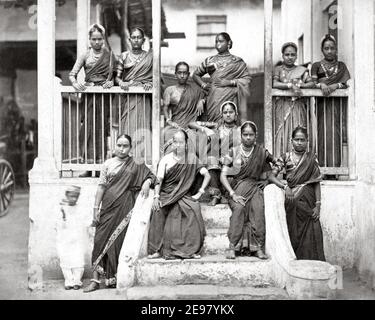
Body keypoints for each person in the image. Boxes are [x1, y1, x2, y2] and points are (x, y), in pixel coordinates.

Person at [83, 134, 156, 292]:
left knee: (118, 242)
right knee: (99, 241)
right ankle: (95, 280)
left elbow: (152, 176)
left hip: (125, 207)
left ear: (130, 148)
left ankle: (115, 278)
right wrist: (96, 209)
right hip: (108, 207)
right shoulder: (108, 164)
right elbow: (101, 187)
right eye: (119, 145)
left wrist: (146, 182)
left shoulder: (136, 163)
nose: (122, 149)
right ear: (114, 146)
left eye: (125, 146)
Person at [220, 121, 281, 260]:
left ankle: (258, 247)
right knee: (239, 209)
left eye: (251, 135)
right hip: (237, 189)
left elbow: (279, 163)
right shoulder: (233, 152)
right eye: (245, 134)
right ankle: (233, 246)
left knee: (258, 210)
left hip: (254, 188)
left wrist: (268, 179)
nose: (248, 137)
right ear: (241, 135)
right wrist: (232, 193)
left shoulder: (262, 152)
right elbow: (223, 176)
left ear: (256, 136)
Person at [147, 130, 211, 260]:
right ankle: (156, 250)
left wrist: (200, 193)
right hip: (167, 194)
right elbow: (159, 180)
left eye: (181, 142)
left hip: (183, 195)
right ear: (172, 143)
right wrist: (156, 197)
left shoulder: (192, 158)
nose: (178, 145)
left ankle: (190, 249)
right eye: (175, 142)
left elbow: (207, 175)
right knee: (157, 210)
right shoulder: (166, 159)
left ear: (186, 143)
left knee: (194, 210)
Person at [68, 24, 116, 175]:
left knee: (102, 129)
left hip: (103, 97)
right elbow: (72, 74)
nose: (97, 42)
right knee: (88, 129)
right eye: (94, 39)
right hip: (89, 98)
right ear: (89, 40)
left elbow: (115, 76)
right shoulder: (85, 55)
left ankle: (101, 167)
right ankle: (89, 167)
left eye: (100, 39)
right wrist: (76, 84)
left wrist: (111, 82)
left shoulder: (109, 56)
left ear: (103, 40)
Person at [272, 126, 325, 261]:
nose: (299, 142)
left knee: (313, 229)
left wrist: (318, 205)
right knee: (293, 232)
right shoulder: (285, 157)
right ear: (291, 141)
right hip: (292, 201)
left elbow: (316, 182)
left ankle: (313, 262)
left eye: (302, 140)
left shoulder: (312, 159)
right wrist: (284, 186)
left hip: (308, 200)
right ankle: (295, 261)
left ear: (307, 141)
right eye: (297, 139)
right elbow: (271, 176)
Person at [188, 101, 241, 206]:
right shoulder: (216, 127)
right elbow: (191, 124)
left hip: (233, 161)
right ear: (221, 115)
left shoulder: (240, 130)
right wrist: (205, 129)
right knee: (211, 159)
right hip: (217, 161)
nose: (228, 114)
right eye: (225, 112)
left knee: (214, 160)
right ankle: (216, 195)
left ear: (236, 114)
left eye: (231, 112)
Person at [192, 32, 252, 123]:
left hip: (230, 98)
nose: (218, 44)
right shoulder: (210, 60)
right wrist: (203, 85)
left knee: (228, 125)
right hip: (213, 99)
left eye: (221, 41)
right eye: (216, 42)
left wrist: (229, 82)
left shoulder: (237, 61)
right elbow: (195, 75)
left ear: (229, 43)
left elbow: (247, 80)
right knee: (214, 126)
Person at [311, 34, 351, 168]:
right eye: (326, 48)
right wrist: (320, 85)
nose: (329, 51)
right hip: (323, 106)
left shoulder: (341, 66)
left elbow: (345, 83)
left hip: (336, 107)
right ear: (322, 50)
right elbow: (312, 82)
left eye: (332, 48)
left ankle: (335, 168)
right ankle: (323, 167)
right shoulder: (316, 66)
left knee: (336, 134)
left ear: (336, 50)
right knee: (323, 135)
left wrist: (335, 85)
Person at [115, 27, 153, 163]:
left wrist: (149, 82)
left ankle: (143, 162)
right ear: (129, 39)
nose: (136, 40)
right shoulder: (123, 56)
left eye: (139, 37)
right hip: (129, 98)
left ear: (143, 40)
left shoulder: (150, 57)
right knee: (128, 127)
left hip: (143, 99)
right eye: (134, 37)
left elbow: (156, 79)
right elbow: (117, 77)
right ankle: (126, 161)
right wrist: (121, 83)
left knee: (143, 127)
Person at [273, 42, 315, 157]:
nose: (290, 57)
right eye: (287, 54)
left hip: (297, 106)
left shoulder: (302, 70)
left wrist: (300, 85)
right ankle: (281, 163)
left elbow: (311, 83)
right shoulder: (278, 69)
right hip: (282, 106)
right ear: (282, 56)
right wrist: (290, 86)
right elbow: (274, 83)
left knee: (298, 131)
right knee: (282, 133)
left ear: (296, 56)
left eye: (292, 54)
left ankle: (299, 164)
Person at [162, 62, 205, 151]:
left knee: (198, 139)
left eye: (185, 73)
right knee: (166, 135)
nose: (182, 75)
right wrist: (169, 121)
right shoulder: (169, 90)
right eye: (179, 73)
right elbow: (165, 108)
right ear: (175, 74)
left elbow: (208, 95)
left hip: (191, 127)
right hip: (176, 126)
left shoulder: (196, 90)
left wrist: (202, 100)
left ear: (188, 74)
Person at [56, 186, 89, 290]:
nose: (74, 199)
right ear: (67, 195)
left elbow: (84, 222)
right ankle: (68, 280)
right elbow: (58, 224)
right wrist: (63, 216)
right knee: (65, 259)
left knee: (78, 259)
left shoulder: (80, 208)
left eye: (76, 196)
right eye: (71, 196)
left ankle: (77, 281)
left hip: (78, 239)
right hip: (65, 239)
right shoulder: (62, 208)